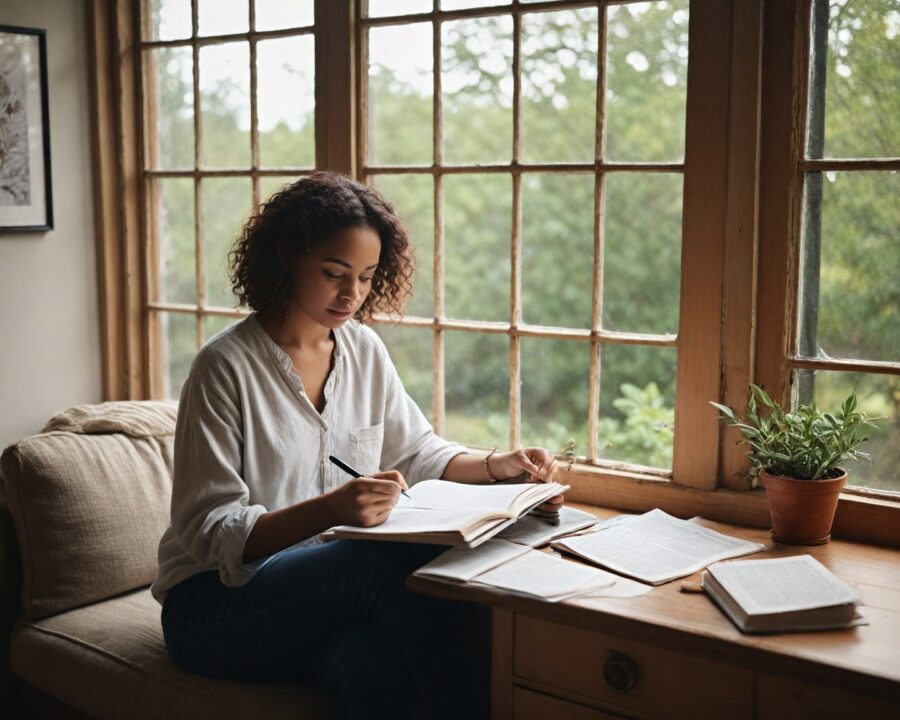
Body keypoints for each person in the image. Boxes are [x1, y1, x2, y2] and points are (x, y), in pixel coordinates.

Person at [151, 171, 563, 720]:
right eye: (334, 273)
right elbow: (209, 533)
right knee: (376, 564)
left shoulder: (363, 349)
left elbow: (417, 453)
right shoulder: (223, 368)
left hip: (314, 596)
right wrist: (333, 508)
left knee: (368, 664)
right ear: (286, 258)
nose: (352, 294)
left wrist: (498, 467)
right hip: (213, 606)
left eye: (367, 278)